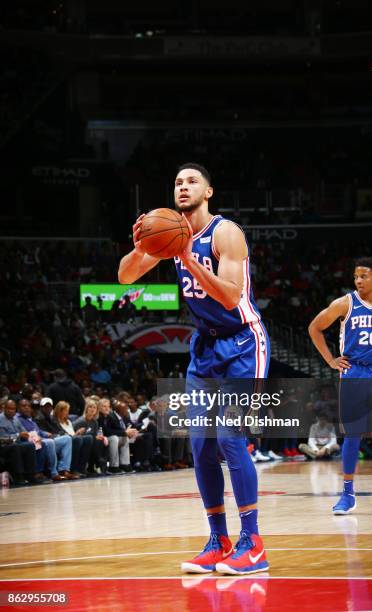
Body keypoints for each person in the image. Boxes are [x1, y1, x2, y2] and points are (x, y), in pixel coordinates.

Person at [118, 163, 270, 575]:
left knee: (230, 438)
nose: (182, 186)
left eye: (191, 181)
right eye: (177, 182)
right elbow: (124, 276)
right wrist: (140, 247)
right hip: (204, 347)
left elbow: (229, 297)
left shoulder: (226, 233)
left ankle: (253, 543)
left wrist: (188, 258)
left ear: (208, 192)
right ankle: (218, 540)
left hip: (242, 341)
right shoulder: (172, 231)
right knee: (200, 444)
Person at [308, 257, 372, 515]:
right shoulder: (345, 303)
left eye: (363, 276)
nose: (358, 281)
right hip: (354, 371)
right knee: (352, 434)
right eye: (355, 277)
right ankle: (347, 494)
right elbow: (315, 328)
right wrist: (331, 359)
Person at [17, 399, 75, 481]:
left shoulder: (30, 418)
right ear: (18, 408)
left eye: (28, 406)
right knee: (50, 442)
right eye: (24, 406)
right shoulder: (18, 419)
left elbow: (38, 431)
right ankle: (54, 473)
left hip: (43, 439)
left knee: (67, 439)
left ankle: (63, 469)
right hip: (34, 442)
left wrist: (45, 433)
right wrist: (42, 437)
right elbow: (25, 434)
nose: (26, 408)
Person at [52, 401, 93, 476]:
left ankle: (81, 468)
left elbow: (73, 433)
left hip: (73, 438)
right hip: (65, 440)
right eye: (66, 410)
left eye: (68, 410)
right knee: (77, 439)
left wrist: (77, 433)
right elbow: (61, 434)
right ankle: (73, 469)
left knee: (88, 438)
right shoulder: (55, 421)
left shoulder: (68, 421)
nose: (68, 412)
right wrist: (75, 435)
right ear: (60, 411)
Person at [73, 398, 109, 474]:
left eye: (94, 407)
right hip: (80, 443)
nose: (92, 409)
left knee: (101, 441)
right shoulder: (80, 421)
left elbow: (96, 435)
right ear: (86, 409)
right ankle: (99, 463)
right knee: (92, 440)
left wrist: (101, 437)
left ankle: (97, 464)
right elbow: (73, 434)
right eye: (90, 407)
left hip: (91, 445)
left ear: (96, 410)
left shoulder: (95, 422)